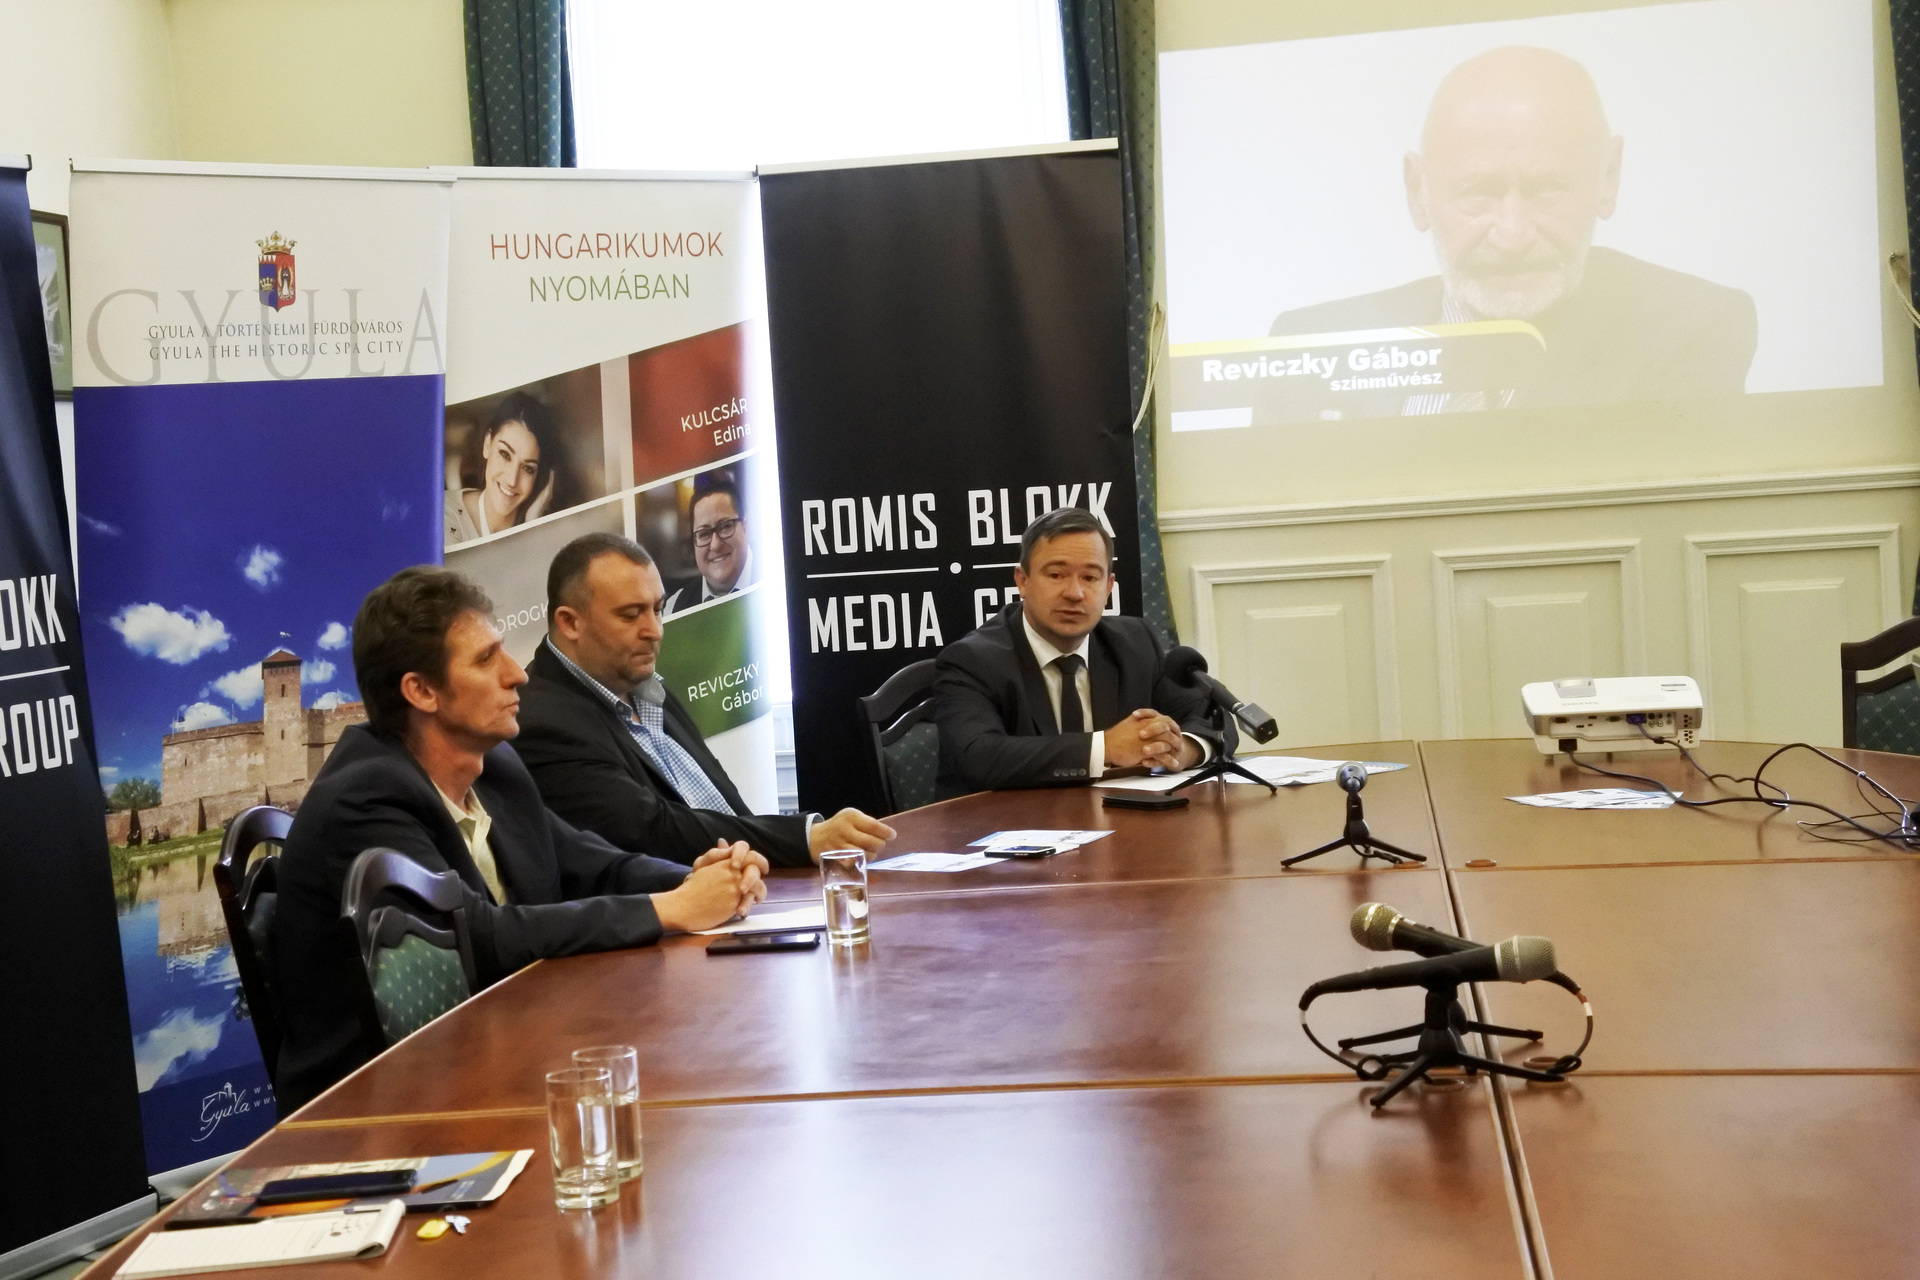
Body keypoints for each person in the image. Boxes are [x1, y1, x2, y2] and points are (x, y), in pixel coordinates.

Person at [271, 566, 764, 1111]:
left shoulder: (496, 767)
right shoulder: (364, 797)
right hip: (378, 1112)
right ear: (422, 691)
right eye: (486, 659)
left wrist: (700, 877)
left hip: (500, 1053)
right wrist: (670, 909)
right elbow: (473, 941)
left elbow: (590, 863)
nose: (517, 675)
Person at [1269, 46, 1756, 412]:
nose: (1512, 235)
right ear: (1418, 191)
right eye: (1477, 192)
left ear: (1608, 178)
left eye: (1548, 189)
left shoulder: (1690, 330)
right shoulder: (1309, 344)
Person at [516, 532, 896, 864]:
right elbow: (654, 831)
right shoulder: (541, 723)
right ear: (570, 622)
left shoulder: (646, 688)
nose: (654, 631)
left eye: (657, 609)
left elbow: (730, 809)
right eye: (631, 615)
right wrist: (805, 838)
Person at [933, 507, 1219, 798]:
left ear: (1108, 587)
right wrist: (1105, 747)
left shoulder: (1136, 642)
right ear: (1022, 581)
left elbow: (1213, 718)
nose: (1075, 593)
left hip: (1113, 818)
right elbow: (978, 757)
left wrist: (1183, 748)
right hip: (1002, 822)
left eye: (1090, 578)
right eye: (1056, 575)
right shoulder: (972, 660)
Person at [444, 392, 557, 546]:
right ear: (487, 444)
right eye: (505, 454)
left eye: (528, 468)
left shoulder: (546, 531)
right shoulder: (443, 512)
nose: (512, 480)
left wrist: (532, 524)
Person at [661, 471, 753, 617]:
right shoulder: (674, 608)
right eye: (704, 534)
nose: (715, 545)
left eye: (725, 526)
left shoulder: (781, 578)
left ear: (745, 528)